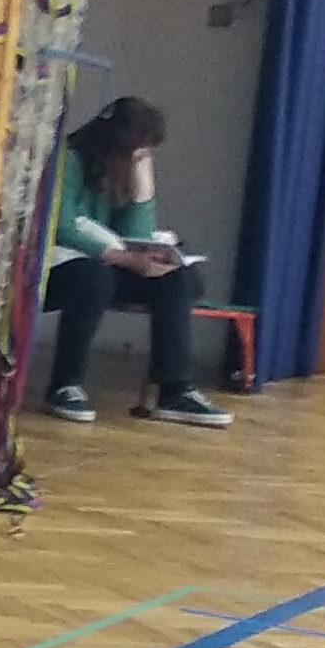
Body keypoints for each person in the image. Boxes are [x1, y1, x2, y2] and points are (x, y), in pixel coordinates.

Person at [40, 95, 231, 428]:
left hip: (107, 263)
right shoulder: (66, 161)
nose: (144, 158)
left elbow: (134, 234)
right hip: (57, 266)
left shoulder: (120, 173)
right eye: (141, 152)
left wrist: (143, 190)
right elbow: (61, 226)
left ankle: (175, 390)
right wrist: (124, 258)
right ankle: (65, 385)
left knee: (178, 278)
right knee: (94, 279)